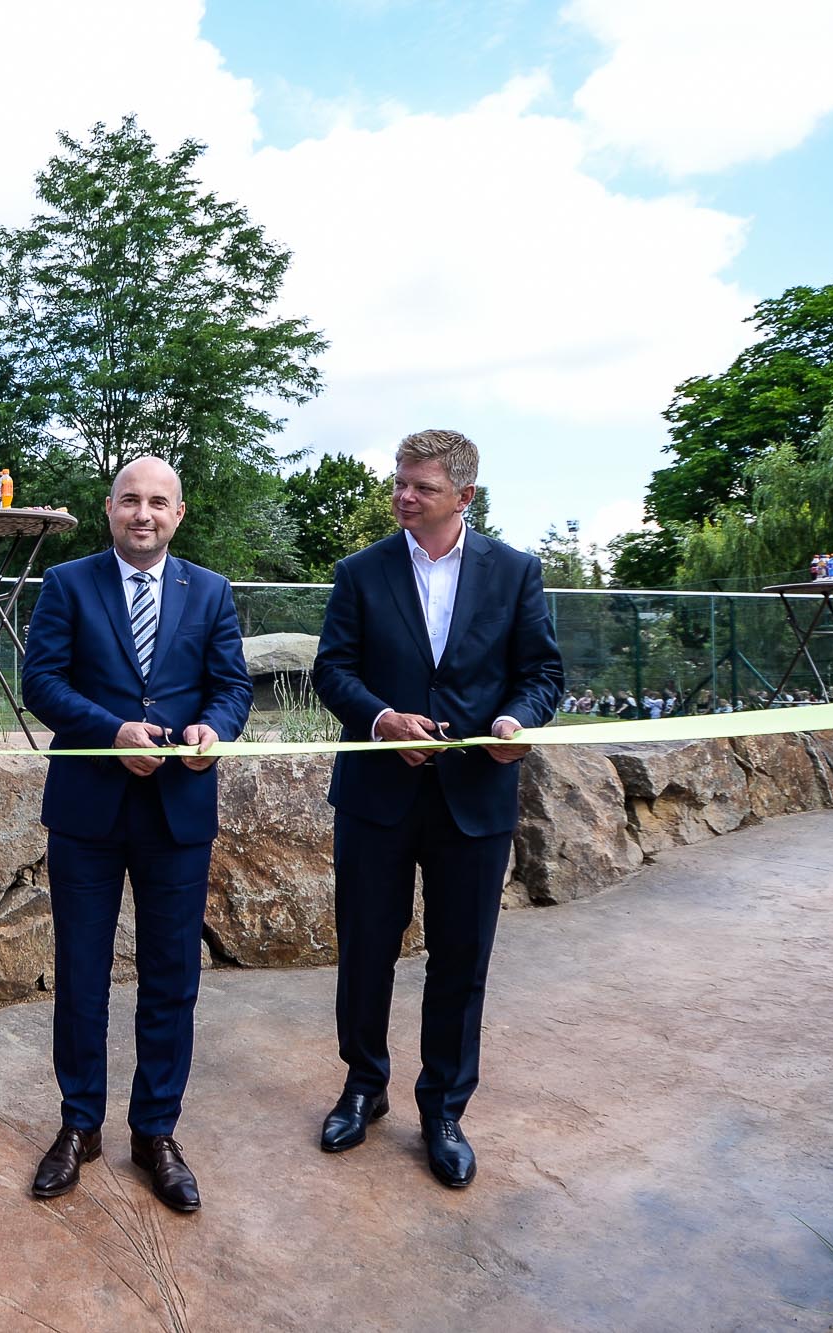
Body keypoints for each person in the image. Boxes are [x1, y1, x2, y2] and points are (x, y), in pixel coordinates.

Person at [312, 429, 562, 1189]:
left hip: (476, 800)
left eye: (420, 485)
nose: (402, 495)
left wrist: (520, 721)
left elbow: (542, 672)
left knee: (462, 960)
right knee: (364, 950)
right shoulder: (360, 571)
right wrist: (383, 720)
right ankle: (364, 1086)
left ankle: (444, 1110)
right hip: (376, 798)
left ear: (465, 495)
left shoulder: (517, 572)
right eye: (399, 481)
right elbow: (332, 669)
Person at [19, 456, 252, 1213]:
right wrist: (111, 729)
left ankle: (156, 1131)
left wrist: (214, 727)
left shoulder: (210, 591)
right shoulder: (67, 583)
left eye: (157, 502)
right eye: (130, 500)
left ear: (178, 513)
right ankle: (78, 1124)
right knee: (81, 977)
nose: (142, 513)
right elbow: (41, 682)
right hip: (88, 810)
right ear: (109, 509)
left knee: (171, 981)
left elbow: (233, 685)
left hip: (177, 812)